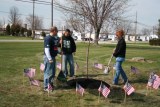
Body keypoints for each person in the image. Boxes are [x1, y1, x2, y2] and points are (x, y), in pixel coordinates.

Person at [43, 26, 59, 91]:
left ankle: (50, 84)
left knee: (52, 72)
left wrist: (59, 52)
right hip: (48, 58)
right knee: (47, 72)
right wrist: (49, 58)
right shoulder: (48, 38)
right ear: (54, 31)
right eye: (56, 31)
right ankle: (46, 87)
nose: (57, 32)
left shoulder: (53, 38)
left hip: (53, 57)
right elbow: (47, 50)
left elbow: (54, 48)